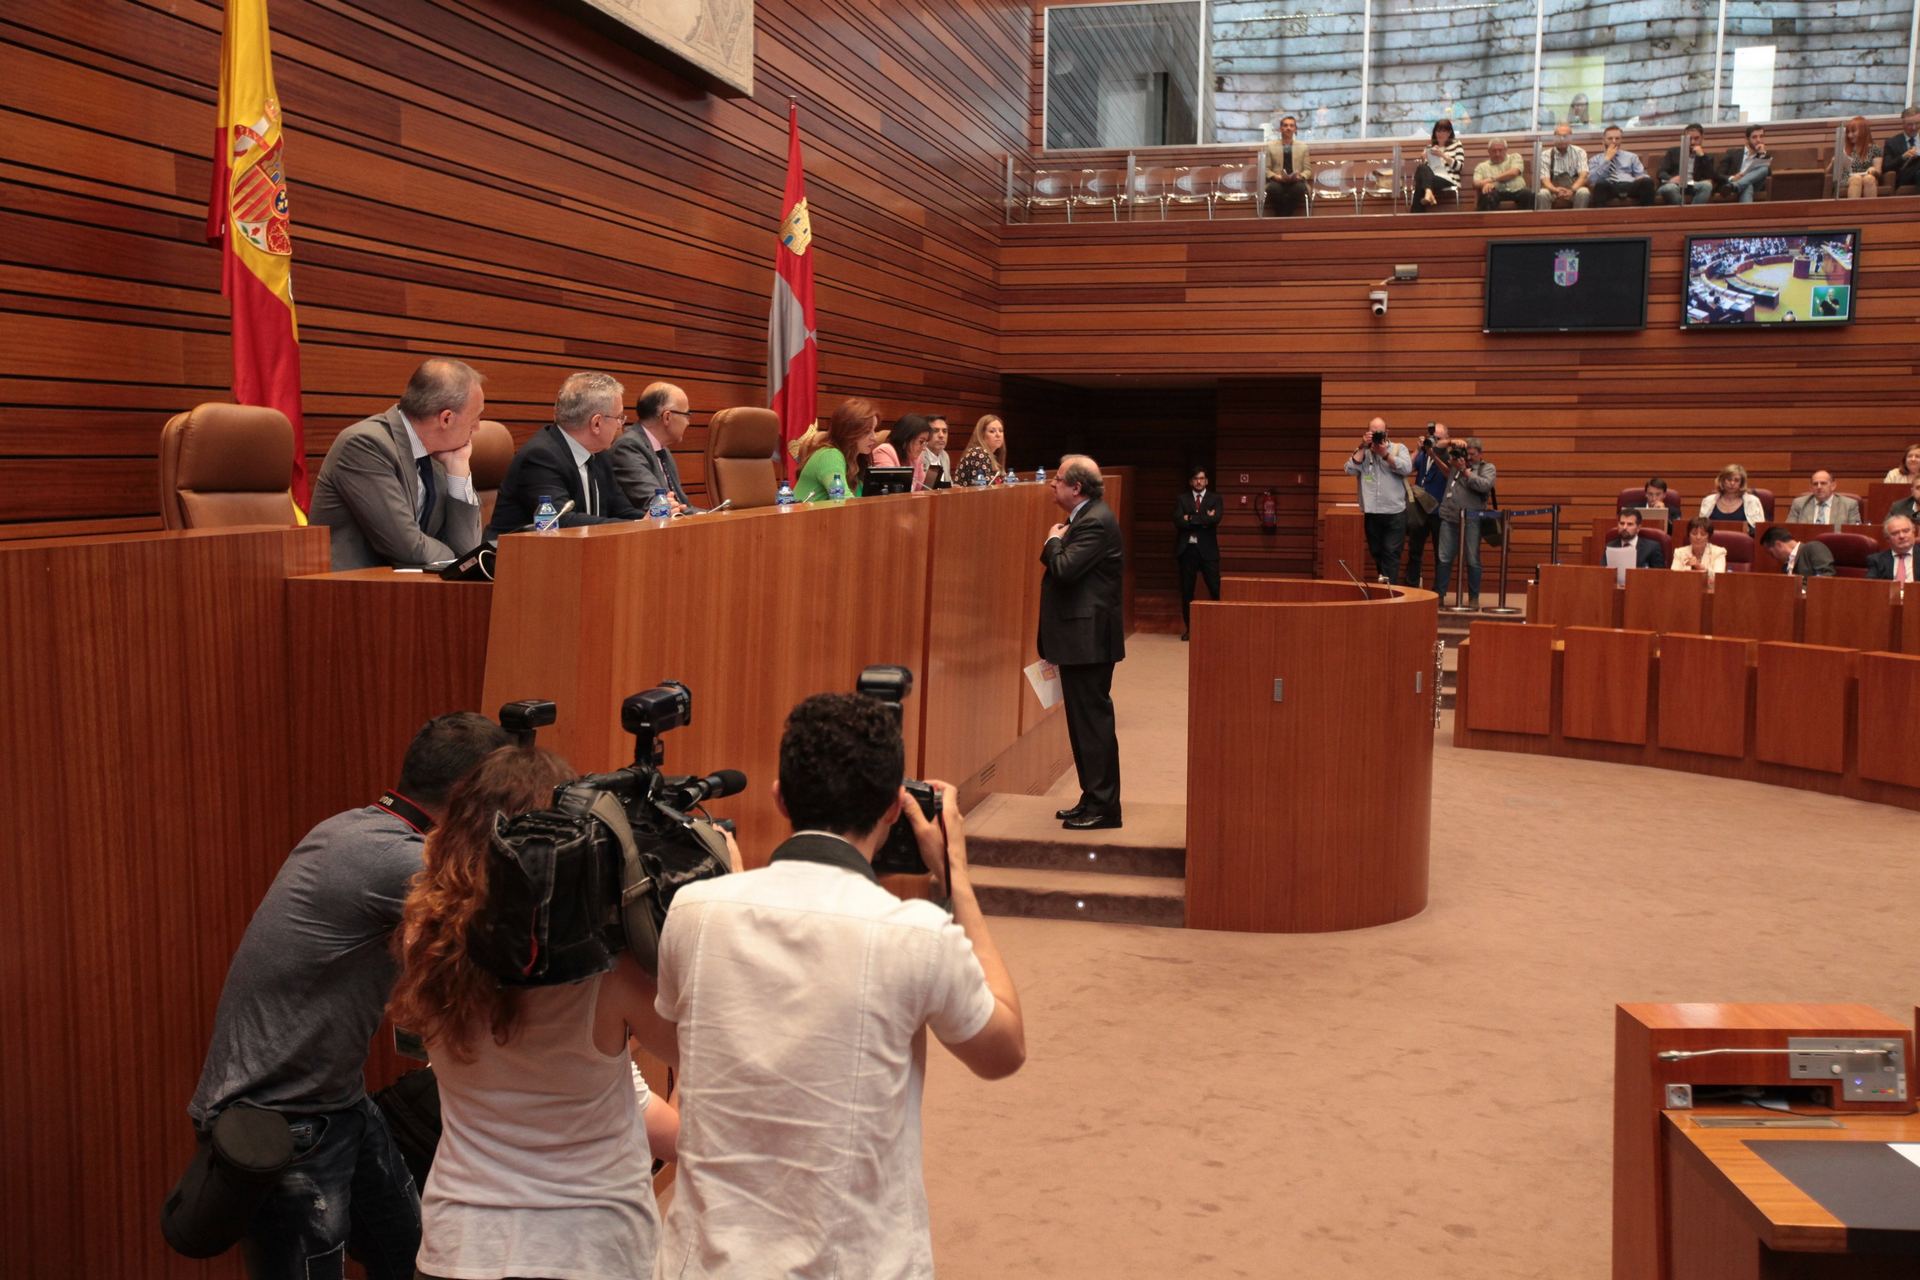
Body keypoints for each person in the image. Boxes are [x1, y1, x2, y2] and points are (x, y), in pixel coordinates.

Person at [653, 692, 1025, 1278]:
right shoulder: (918, 934)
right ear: (893, 808)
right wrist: (957, 877)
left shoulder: (693, 913)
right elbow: (1003, 1052)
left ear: (779, 797)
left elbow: (707, 1047)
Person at [186, 712, 512, 1280]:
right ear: (466, 796)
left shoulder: (349, 828)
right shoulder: (393, 859)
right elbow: (506, 925)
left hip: (335, 1103)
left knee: (413, 1254)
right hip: (283, 1118)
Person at [389, 746, 678, 1280]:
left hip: (460, 1249)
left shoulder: (424, 943)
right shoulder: (610, 972)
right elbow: (716, 1056)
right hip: (587, 1252)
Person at [309, 358, 485, 570]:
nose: (477, 428)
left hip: (407, 588)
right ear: (446, 419)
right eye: (476, 417)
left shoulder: (437, 454)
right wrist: (458, 558)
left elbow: (468, 548)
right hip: (351, 590)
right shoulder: (365, 445)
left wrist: (459, 469)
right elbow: (407, 548)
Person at [1041, 455, 1126, 830]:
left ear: (1077, 488)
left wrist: (1053, 542)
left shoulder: (1094, 521)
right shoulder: (1087, 517)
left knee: (1093, 725)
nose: (1051, 484)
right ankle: (1092, 797)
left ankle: (1105, 807)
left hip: (1089, 641)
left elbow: (1064, 569)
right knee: (1082, 724)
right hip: (1081, 639)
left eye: (1058, 479)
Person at [487, 372, 645, 536]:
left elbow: (623, 511)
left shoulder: (600, 455)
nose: (621, 425)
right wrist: (637, 525)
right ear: (596, 423)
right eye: (619, 417)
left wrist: (654, 522)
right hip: (517, 557)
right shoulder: (540, 457)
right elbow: (561, 522)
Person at [610, 381, 701, 514]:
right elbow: (659, 506)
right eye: (686, 415)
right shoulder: (628, 447)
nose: (688, 422)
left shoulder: (662, 450)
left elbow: (682, 505)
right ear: (667, 417)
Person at [1343, 418, 1412, 585]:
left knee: (1391, 551)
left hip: (1395, 512)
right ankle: (1384, 581)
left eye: (1380, 432)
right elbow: (1349, 469)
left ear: (1387, 432)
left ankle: (1390, 589)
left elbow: (1406, 468)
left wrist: (1385, 454)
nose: (1377, 435)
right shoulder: (1363, 452)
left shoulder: (1398, 448)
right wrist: (1362, 446)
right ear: (1367, 433)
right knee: (1376, 551)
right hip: (1372, 512)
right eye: (1373, 432)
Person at [1433, 437, 1495, 603]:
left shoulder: (1487, 467)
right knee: (1444, 558)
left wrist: (1465, 470)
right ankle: (1440, 596)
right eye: (1467, 454)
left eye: (1472, 455)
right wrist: (1451, 442)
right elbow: (1436, 449)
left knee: (1472, 559)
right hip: (1449, 516)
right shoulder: (1455, 462)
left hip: (1472, 519)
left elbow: (1484, 485)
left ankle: (1473, 598)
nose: (1468, 458)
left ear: (1480, 454)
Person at [792, 398, 879, 502]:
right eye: (867, 431)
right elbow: (843, 501)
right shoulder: (830, 455)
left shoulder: (858, 459)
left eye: (874, 430)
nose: (874, 437)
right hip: (803, 517)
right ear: (849, 432)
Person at [1174, 466, 1222, 641]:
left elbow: (1215, 519)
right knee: (1187, 592)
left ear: (1206, 481)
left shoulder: (1215, 499)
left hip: (1208, 551)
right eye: (1195, 479)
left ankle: (1216, 628)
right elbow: (1178, 521)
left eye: (1201, 478)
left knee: (1215, 590)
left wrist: (1191, 518)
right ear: (1191, 482)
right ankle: (1190, 629)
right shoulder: (1182, 499)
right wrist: (1203, 518)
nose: (1199, 481)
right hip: (1187, 550)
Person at [1404, 422, 1451, 589]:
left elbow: (1449, 474)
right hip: (1420, 510)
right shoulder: (1423, 454)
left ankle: (1439, 592)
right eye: (1432, 438)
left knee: (1441, 554)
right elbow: (1406, 468)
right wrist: (1418, 450)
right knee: (1414, 551)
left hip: (1440, 511)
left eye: (1438, 439)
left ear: (1446, 439)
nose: (1435, 441)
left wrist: (1434, 454)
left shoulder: (1449, 455)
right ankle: (1411, 586)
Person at [1582, 125, 1655, 206]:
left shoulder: (1631, 157)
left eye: (1617, 138)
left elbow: (1641, 175)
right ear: (1603, 141)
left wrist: (1642, 177)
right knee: (1600, 185)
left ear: (1621, 140)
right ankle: (1602, 217)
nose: (1614, 141)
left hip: (1629, 185)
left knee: (1647, 182)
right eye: (1610, 138)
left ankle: (1645, 216)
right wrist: (1607, 160)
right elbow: (1592, 179)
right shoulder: (1595, 159)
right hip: (1608, 186)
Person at [1263, 114, 1311, 217]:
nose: (1288, 128)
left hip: (1296, 181)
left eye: (1291, 125)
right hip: (1277, 180)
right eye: (1285, 125)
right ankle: (1285, 218)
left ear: (1295, 129)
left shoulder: (1303, 147)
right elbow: (1266, 169)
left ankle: (1282, 218)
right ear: (1280, 129)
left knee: (1299, 188)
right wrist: (1276, 177)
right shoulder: (1270, 146)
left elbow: (1307, 170)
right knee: (1273, 189)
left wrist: (1300, 176)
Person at [1411, 118, 1464, 211]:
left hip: (1448, 178)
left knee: (1420, 184)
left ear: (1449, 133)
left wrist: (1442, 155)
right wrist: (1424, 159)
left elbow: (1459, 167)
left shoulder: (1456, 145)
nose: (1440, 134)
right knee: (1421, 168)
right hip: (1432, 177)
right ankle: (1428, 192)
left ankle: (1416, 218)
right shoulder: (1429, 148)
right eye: (1438, 131)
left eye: (1443, 131)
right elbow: (1425, 171)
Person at [1657, 123, 1716, 205]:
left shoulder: (1706, 157)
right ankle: (1681, 214)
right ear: (1684, 139)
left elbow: (1711, 177)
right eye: (1689, 139)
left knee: (1707, 186)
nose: (1692, 142)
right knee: (1670, 188)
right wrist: (1671, 179)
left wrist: (1702, 156)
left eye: (1696, 138)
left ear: (1702, 138)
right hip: (1674, 185)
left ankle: (1692, 214)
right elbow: (1661, 172)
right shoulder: (1673, 152)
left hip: (1692, 184)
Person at [1535, 123, 1591, 210]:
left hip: (1574, 188)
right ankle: (1544, 222)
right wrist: (1555, 190)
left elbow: (1583, 176)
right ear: (1554, 138)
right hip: (1553, 189)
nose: (1562, 139)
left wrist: (1572, 190)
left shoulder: (1580, 152)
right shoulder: (1545, 155)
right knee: (1542, 193)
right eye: (1558, 136)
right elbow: (1544, 179)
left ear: (1570, 138)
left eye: (1565, 136)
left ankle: (1578, 222)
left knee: (1584, 192)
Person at [871, 412, 934, 489]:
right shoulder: (884, 451)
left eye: (925, 443)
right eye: (921, 442)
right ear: (906, 438)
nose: (924, 448)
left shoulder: (915, 457)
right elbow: (893, 490)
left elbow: (923, 489)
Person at [1699, 463, 1766, 531]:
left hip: (1742, 541)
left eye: (1736, 480)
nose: (1732, 483)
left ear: (1741, 483)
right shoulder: (1708, 501)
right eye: (1729, 479)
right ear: (1722, 481)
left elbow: (1759, 531)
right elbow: (1701, 527)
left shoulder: (1752, 502)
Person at [1786, 470, 1861, 527]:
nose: (1819, 487)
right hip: (1807, 545)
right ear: (1811, 488)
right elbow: (1789, 530)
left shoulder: (1849, 505)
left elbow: (1855, 533)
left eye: (1823, 483)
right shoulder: (1799, 503)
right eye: (1815, 484)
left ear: (1833, 486)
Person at [1473, 138, 1529, 211]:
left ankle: (1526, 222)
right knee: (1487, 196)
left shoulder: (1515, 157)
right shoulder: (1482, 166)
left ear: (1506, 150)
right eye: (1494, 151)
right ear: (1488, 151)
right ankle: (1489, 222)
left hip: (1517, 190)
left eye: (1500, 150)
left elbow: (1513, 172)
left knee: (1528, 194)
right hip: (1495, 192)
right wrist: (1484, 185)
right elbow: (1475, 183)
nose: (1497, 154)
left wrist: (1491, 180)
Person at [954, 412, 1009, 486]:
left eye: (1000, 430)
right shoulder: (979, 453)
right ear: (982, 435)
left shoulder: (989, 455)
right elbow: (985, 489)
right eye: (992, 431)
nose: (998, 435)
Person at [1720, 125, 1771, 203]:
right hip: (1742, 184)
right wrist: (1732, 178)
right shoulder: (1733, 153)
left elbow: (1767, 174)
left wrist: (1762, 154)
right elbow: (1718, 174)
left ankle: (1736, 186)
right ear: (1747, 139)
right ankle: (1747, 214)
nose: (1759, 140)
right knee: (1747, 185)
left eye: (1761, 136)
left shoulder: (1764, 155)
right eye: (1754, 137)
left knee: (1764, 168)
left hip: (1756, 186)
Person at [1760, 526, 1835, 578]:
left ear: (1779, 545)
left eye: (1771, 553)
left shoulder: (1814, 548)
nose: (1774, 558)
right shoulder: (1785, 567)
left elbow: (1827, 576)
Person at [1838, 116, 1883, 199]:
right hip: (1849, 178)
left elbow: (1878, 171)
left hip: (1869, 177)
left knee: (1869, 179)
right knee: (1856, 178)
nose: (1849, 135)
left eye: (1853, 131)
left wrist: (1873, 170)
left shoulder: (1875, 149)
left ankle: (1871, 211)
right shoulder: (1845, 149)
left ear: (1863, 131)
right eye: (1848, 132)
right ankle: (1853, 211)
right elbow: (1838, 171)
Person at [1866, 513, 1916, 581]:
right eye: (1895, 533)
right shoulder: (1877, 560)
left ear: (1913, 532)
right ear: (1887, 539)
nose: (1902, 536)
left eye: (1906, 531)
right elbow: (1871, 586)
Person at [1885, 106, 1920, 194]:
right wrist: (1903, 157)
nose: (1914, 127)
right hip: (1904, 177)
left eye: (1917, 123)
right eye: (1910, 124)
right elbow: (1886, 167)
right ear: (1903, 125)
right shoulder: (1892, 143)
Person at [924, 415, 954, 487]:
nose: (941, 435)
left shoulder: (945, 455)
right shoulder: (919, 455)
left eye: (944, 431)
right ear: (926, 434)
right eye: (935, 431)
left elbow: (949, 484)